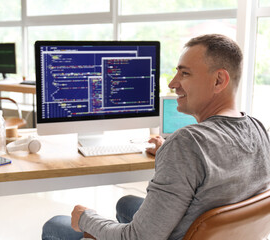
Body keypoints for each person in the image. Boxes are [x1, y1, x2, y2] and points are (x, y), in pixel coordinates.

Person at [42, 34, 270, 240]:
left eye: (185, 73)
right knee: (126, 203)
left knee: (57, 225)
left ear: (219, 80)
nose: (172, 83)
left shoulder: (187, 143)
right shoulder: (258, 129)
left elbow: (137, 237)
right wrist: (167, 152)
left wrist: (85, 217)